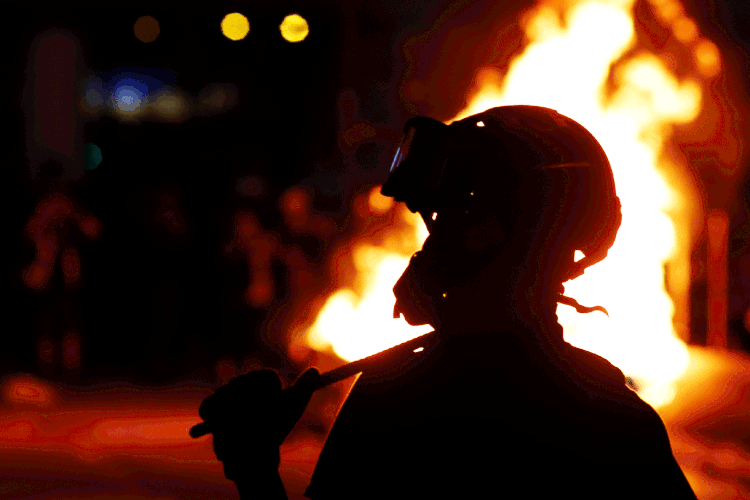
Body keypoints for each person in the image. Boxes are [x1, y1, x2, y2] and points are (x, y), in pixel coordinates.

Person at [195, 105, 698, 499]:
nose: (427, 253)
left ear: (505, 236)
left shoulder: (396, 398)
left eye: (456, 224)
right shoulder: (615, 417)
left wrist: (256, 474)